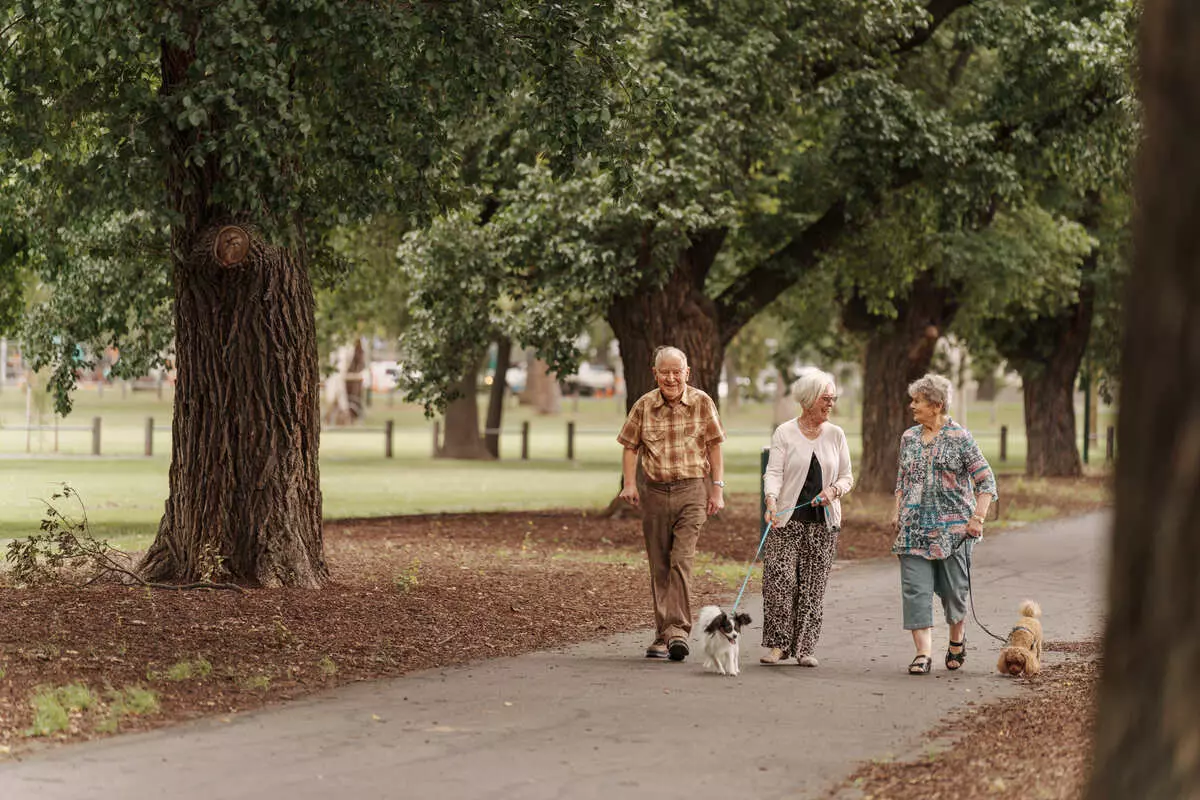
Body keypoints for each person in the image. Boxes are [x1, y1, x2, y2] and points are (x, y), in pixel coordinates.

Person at [617, 346, 727, 662]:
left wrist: (717, 490)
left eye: (677, 371)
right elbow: (629, 446)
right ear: (656, 374)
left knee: (681, 559)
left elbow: (715, 447)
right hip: (654, 492)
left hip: (692, 491)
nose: (671, 377)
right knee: (659, 564)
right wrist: (629, 483)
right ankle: (663, 635)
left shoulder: (702, 402)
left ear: (687, 372)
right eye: (665, 372)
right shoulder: (644, 406)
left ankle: (677, 631)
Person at [891, 373, 998, 675]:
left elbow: (986, 480)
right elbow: (902, 478)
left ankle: (956, 639)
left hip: (954, 533)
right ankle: (923, 654)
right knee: (915, 590)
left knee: (954, 592)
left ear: (936, 405)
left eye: (918, 401)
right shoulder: (909, 438)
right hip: (913, 530)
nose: (912, 406)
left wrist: (977, 518)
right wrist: (896, 509)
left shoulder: (960, 438)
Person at [760, 370, 853, 667]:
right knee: (780, 580)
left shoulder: (836, 434)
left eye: (832, 399)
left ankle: (804, 648)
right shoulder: (785, 432)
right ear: (808, 400)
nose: (830, 404)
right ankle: (778, 645)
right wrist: (771, 500)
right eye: (826, 399)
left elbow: (847, 476)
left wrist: (834, 491)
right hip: (787, 518)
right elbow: (773, 472)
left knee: (813, 585)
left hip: (822, 521)